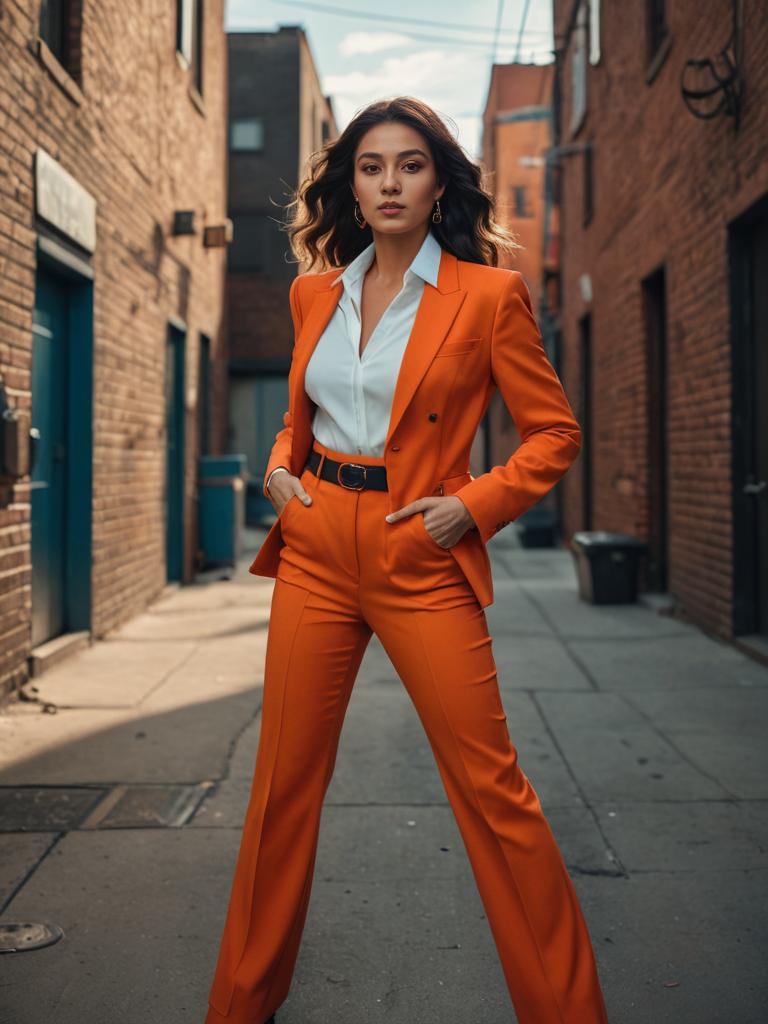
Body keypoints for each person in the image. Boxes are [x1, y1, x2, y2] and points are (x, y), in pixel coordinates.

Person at [205, 96, 609, 1024]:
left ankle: (566, 1010)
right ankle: (238, 1006)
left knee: (493, 791)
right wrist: (276, 470)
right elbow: (297, 418)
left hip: (418, 550)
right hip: (313, 545)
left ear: (439, 183)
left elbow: (553, 434)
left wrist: (468, 509)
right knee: (279, 793)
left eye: (411, 165)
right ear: (351, 183)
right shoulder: (316, 292)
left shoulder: (488, 294)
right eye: (372, 166)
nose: (390, 183)